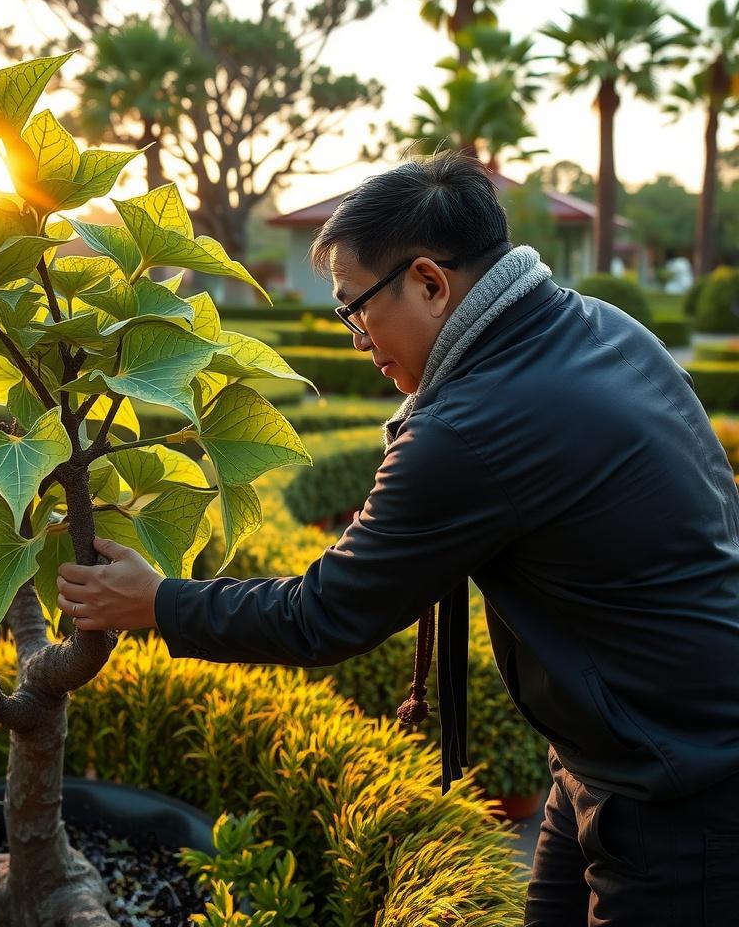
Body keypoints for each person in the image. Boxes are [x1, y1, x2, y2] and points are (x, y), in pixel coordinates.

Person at [55, 151, 739, 925]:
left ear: (429, 283)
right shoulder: (592, 326)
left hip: (684, 793)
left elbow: (326, 613)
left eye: (354, 307)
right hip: (621, 753)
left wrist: (159, 603)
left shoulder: (473, 426)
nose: (354, 337)